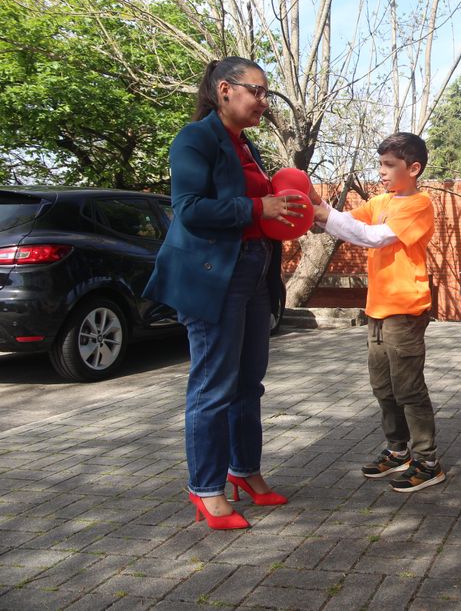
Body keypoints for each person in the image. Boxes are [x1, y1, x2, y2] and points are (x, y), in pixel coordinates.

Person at [145, 57, 302, 530]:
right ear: (223, 90)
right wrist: (260, 205)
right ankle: (206, 488)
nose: (263, 101)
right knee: (213, 387)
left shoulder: (244, 144)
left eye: (265, 92)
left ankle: (243, 470)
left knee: (248, 382)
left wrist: (291, 210)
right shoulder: (195, 139)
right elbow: (189, 210)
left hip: (254, 272)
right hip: (214, 277)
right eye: (256, 90)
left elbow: (261, 208)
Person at [311, 132, 444, 493]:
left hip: (405, 310)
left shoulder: (420, 204)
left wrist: (323, 212)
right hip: (378, 311)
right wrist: (313, 209)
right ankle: (398, 450)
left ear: (413, 168)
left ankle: (427, 461)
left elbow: (372, 236)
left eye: (389, 165)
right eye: (380, 164)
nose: (382, 172)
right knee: (383, 388)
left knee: (409, 389)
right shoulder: (382, 200)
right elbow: (345, 224)